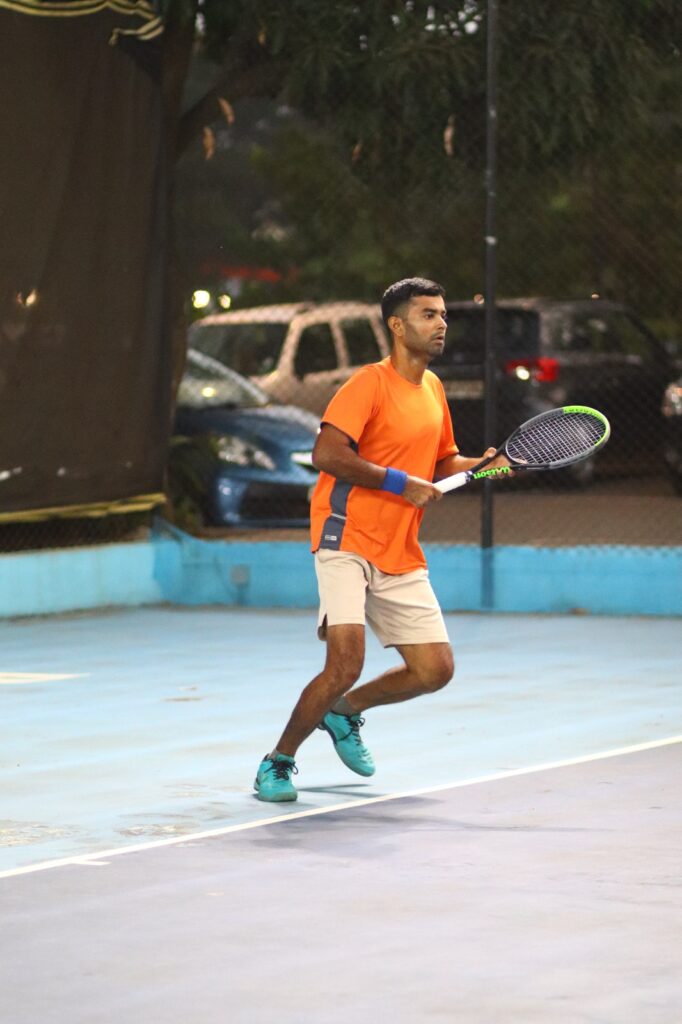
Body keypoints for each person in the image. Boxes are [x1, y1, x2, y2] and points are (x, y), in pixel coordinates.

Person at [254, 277, 510, 801]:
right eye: (428, 315)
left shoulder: (433, 389)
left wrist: (487, 465)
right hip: (345, 535)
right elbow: (326, 455)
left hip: (400, 546)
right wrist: (399, 482)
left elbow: (443, 463)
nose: (441, 324)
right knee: (345, 663)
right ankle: (277, 763)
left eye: (443, 314)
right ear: (397, 326)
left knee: (434, 670)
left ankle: (344, 712)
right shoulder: (367, 385)